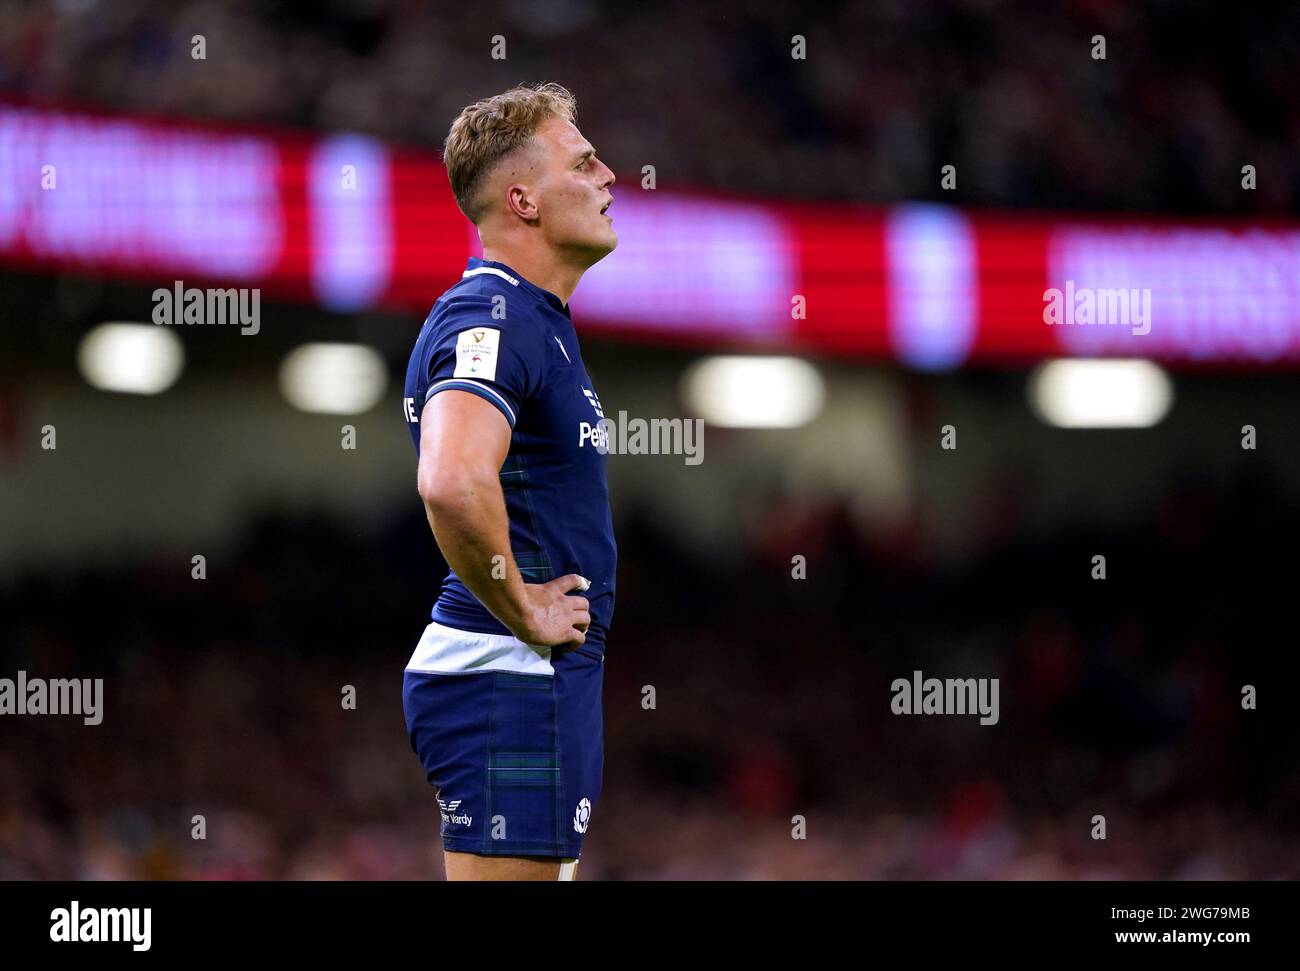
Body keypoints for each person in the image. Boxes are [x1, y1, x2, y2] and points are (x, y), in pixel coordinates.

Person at [400, 82, 619, 880]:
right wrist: (522, 604)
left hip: (524, 672)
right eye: (584, 161)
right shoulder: (492, 317)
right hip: (508, 671)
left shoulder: (535, 320)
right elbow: (452, 480)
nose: (610, 176)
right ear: (521, 199)